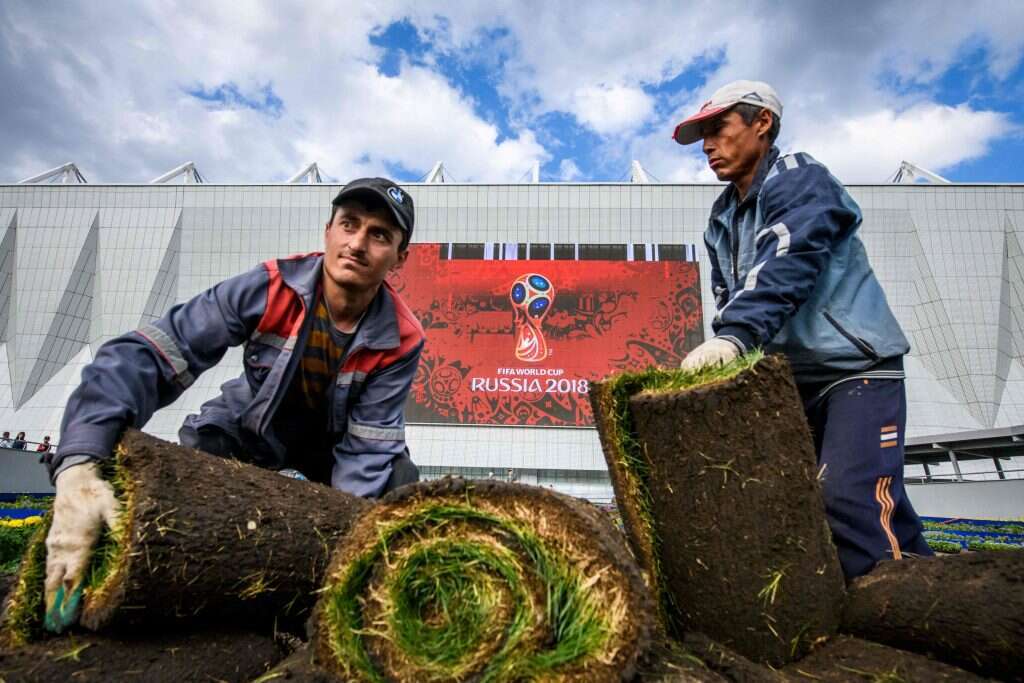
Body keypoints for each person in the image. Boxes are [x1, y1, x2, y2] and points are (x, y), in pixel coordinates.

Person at [42, 177, 425, 632]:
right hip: (248, 431)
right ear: (328, 230)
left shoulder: (402, 337)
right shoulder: (270, 287)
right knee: (180, 481)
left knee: (400, 485)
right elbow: (150, 355)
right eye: (349, 224)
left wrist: (337, 559)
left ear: (400, 258)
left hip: (333, 450)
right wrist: (80, 464)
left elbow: (367, 448)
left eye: (379, 235)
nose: (357, 243)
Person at [673, 81, 931, 580]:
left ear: (762, 123)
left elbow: (788, 261)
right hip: (791, 384)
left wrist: (734, 337)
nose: (706, 145)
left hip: (855, 371)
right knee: (809, 506)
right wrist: (731, 355)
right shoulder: (722, 217)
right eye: (701, 135)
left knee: (848, 498)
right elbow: (731, 295)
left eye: (717, 129)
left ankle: (891, 628)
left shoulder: (798, 178)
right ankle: (932, 587)